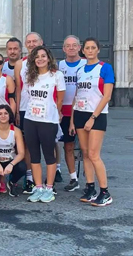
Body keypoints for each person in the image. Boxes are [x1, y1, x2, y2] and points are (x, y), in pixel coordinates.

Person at [70, 37, 114, 207]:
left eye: (93, 47)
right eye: (87, 48)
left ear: (98, 50)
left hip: (96, 115)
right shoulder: (80, 70)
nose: (89, 50)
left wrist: (93, 118)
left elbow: (107, 96)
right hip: (80, 114)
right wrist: (73, 121)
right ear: (83, 50)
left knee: (94, 154)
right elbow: (77, 95)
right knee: (85, 153)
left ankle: (105, 192)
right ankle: (90, 188)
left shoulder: (105, 68)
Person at [23, 46, 65, 203]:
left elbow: (60, 98)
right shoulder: (30, 76)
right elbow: (29, 96)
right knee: (34, 155)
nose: (40, 59)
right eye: (37, 56)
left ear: (49, 58)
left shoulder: (56, 75)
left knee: (49, 155)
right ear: (33, 60)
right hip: (30, 119)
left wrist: (56, 113)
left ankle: (49, 187)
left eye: (43, 56)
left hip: (48, 121)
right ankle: (38, 186)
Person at [14, 32, 44, 194]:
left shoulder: (49, 63)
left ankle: (46, 179)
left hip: (44, 109)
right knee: (27, 145)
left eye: (34, 41)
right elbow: (19, 89)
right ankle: (30, 178)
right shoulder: (20, 64)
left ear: (41, 42)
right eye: (29, 42)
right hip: (26, 108)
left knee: (45, 144)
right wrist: (18, 110)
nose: (32, 44)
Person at [58, 35, 86, 191]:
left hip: (82, 110)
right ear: (63, 48)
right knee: (67, 146)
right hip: (65, 111)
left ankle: (90, 180)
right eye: (67, 46)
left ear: (79, 47)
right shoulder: (59, 65)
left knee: (87, 148)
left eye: (74, 45)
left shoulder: (85, 64)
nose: (71, 48)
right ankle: (73, 178)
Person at [0, 104, 25, 197]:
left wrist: (11, 164)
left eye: (6, 113)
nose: (3, 116)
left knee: (22, 167)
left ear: (10, 115)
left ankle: (12, 182)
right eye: (0, 114)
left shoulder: (16, 131)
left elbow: (21, 153)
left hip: (10, 159)